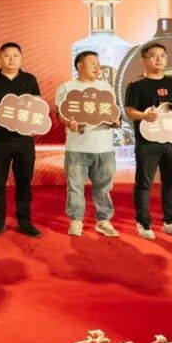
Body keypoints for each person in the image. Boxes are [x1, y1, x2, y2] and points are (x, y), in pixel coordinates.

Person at [123, 42, 172, 241]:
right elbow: (130, 110)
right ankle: (143, 223)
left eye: (162, 55)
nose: (159, 59)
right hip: (148, 142)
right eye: (153, 55)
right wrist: (143, 116)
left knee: (171, 183)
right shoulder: (136, 85)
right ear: (144, 59)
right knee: (144, 184)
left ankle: (171, 222)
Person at [0, 42, 42, 237]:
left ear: (21, 58)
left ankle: (24, 221)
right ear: (0, 57)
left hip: (24, 140)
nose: (11, 59)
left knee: (24, 183)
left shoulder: (29, 79)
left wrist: (37, 123)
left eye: (15, 55)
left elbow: (39, 107)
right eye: (7, 55)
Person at [52, 50, 119, 238]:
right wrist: (68, 122)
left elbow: (113, 113)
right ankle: (76, 220)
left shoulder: (106, 87)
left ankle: (103, 220)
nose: (97, 67)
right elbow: (59, 113)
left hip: (104, 147)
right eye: (92, 64)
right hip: (77, 148)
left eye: (98, 64)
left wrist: (116, 121)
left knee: (104, 187)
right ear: (80, 66)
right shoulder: (66, 88)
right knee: (75, 186)